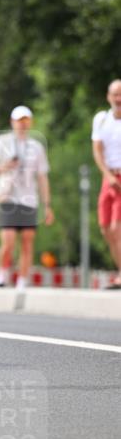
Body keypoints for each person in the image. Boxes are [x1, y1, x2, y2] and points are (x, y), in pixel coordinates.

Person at [0, 105, 54, 290]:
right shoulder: (1, 142)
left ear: (30, 122)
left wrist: (47, 205)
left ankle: (23, 279)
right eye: (19, 120)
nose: (22, 124)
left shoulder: (36, 147)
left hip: (29, 198)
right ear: (12, 122)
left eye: (25, 120)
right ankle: (2, 272)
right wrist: (4, 167)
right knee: (8, 241)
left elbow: (42, 176)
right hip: (8, 196)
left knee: (28, 241)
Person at [91, 78, 121, 289]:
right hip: (108, 177)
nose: (119, 99)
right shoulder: (101, 119)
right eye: (115, 94)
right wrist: (107, 176)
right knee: (105, 228)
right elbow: (97, 149)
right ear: (109, 97)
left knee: (117, 227)